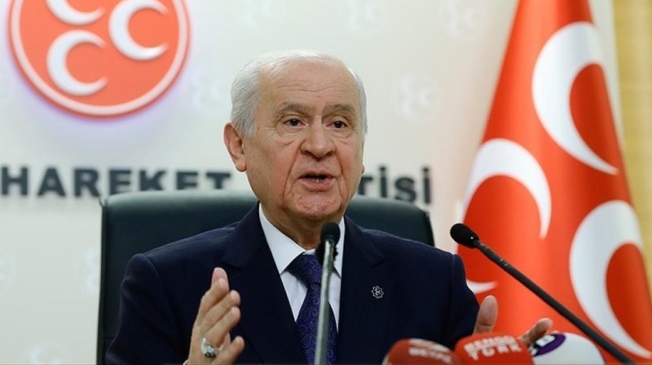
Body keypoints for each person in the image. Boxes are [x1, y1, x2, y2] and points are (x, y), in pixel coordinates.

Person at [106, 50, 551, 364]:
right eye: (293, 121)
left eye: (339, 123)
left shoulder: (434, 282)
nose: (319, 145)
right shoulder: (168, 283)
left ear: (361, 148)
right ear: (239, 146)